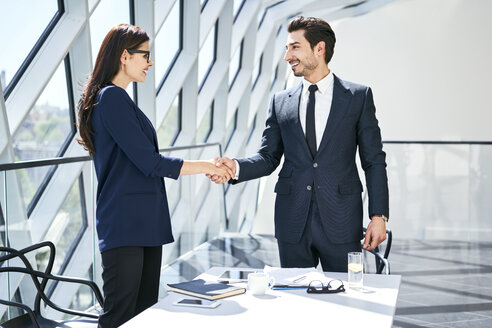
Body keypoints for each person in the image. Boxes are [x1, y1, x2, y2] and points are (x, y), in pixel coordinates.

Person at [76, 24, 232, 328]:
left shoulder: (117, 99)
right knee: (120, 315)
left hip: (142, 222)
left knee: (143, 314)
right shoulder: (111, 98)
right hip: (125, 224)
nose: (150, 62)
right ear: (124, 56)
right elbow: (150, 162)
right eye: (144, 55)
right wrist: (208, 166)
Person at [210, 16, 389, 272]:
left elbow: (373, 161)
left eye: (294, 47)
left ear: (319, 49)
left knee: (346, 300)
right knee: (293, 301)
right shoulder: (280, 101)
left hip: (341, 220)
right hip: (292, 221)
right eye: (286, 48)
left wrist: (378, 216)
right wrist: (235, 167)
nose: (287, 56)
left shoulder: (358, 97)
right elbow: (269, 157)